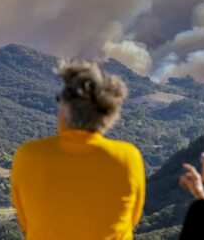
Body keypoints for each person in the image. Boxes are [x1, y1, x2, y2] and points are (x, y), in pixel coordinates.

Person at [10, 59, 146, 240]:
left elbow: (26, 221)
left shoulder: (29, 155)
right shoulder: (129, 157)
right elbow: (132, 218)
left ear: (65, 109)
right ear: (109, 113)